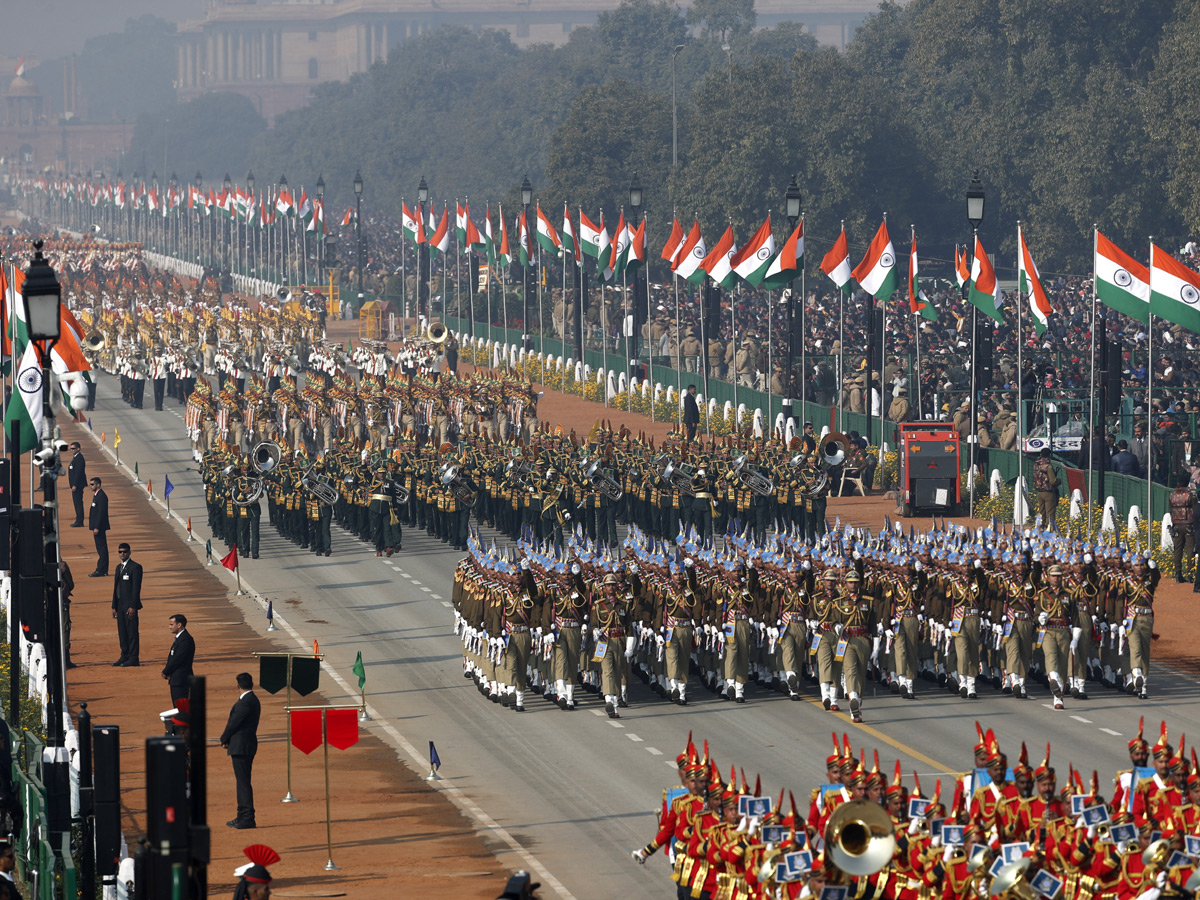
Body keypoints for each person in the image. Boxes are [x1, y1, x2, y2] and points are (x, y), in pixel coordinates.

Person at [221, 672, 261, 829]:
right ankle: (243, 815)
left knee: (243, 783)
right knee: (243, 781)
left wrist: (224, 738)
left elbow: (233, 723)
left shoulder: (245, 703)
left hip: (241, 747)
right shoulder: (253, 700)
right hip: (246, 744)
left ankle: (246, 817)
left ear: (238, 685)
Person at [112, 543, 143, 666]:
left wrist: (133, 606)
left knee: (132, 632)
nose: (122, 554)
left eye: (124, 552)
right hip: (120, 605)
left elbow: (136, 589)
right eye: (120, 552)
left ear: (129, 552)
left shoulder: (135, 567)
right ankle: (124, 655)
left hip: (130, 606)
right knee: (122, 632)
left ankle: (133, 657)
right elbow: (116, 588)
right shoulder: (118, 567)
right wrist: (114, 606)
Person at [161, 614, 195, 706]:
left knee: (181, 708)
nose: (169, 627)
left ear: (179, 625)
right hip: (176, 678)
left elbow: (177, 659)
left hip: (181, 679)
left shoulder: (186, 640)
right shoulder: (180, 638)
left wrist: (166, 671)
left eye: (171, 625)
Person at [1032, 448, 1060, 531]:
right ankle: (1049, 531)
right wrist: (1059, 481)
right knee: (1050, 514)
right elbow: (1053, 481)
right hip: (1048, 492)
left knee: (1042, 513)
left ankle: (1040, 530)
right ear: (1049, 455)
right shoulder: (1049, 466)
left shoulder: (1036, 465)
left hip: (1039, 492)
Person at [89, 477, 110, 576]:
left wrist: (97, 527)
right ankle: (103, 569)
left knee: (102, 549)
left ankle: (101, 570)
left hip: (99, 527)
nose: (91, 486)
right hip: (97, 527)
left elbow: (101, 513)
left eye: (92, 484)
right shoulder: (97, 495)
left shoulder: (101, 496)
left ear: (98, 485)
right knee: (100, 548)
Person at [68, 442, 86, 527]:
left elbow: (78, 473)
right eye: (71, 448)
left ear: (78, 449)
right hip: (75, 485)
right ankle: (78, 519)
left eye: (73, 448)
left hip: (77, 485)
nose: (71, 450)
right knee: (77, 503)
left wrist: (74, 485)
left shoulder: (79, 458)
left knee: (78, 503)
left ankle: (79, 521)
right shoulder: (76, 458)